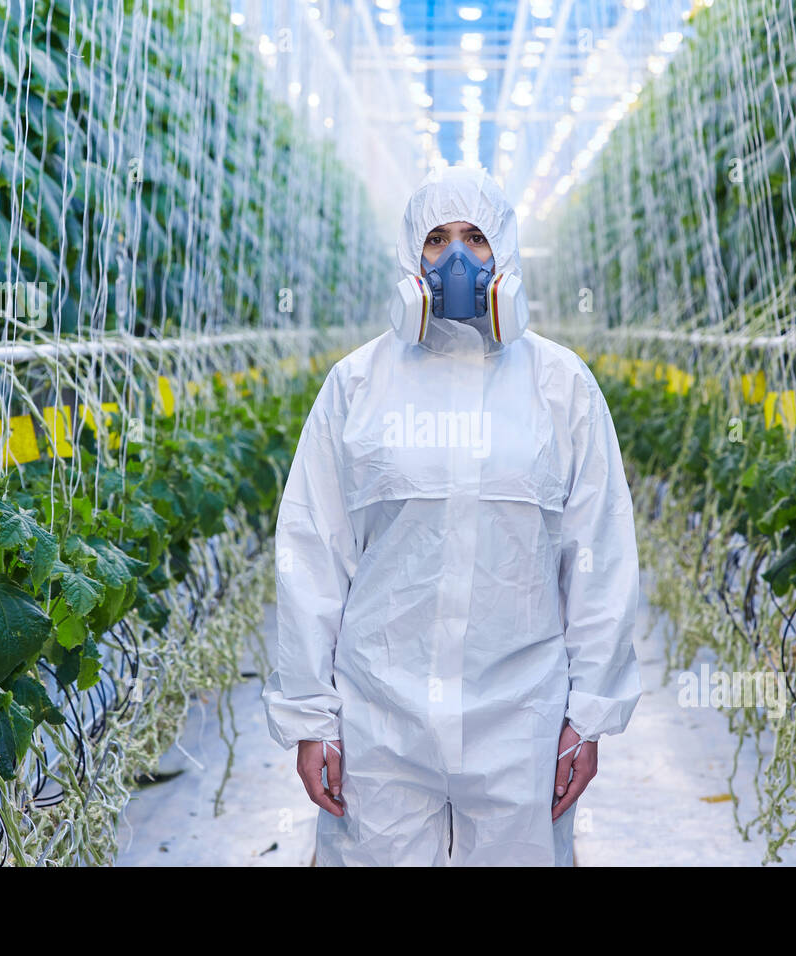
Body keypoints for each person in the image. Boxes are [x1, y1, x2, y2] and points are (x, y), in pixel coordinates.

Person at [261, 163, 643, 866]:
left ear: (506, 253)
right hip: (380, 716)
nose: (458, 259)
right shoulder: (357, 386)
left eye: (476, 237)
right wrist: (313, 717)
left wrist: (588, 716)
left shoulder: (561, 388)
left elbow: (599, 555)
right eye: (436, 240)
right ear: (411, 257)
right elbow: (313, 553)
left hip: (520, 720)